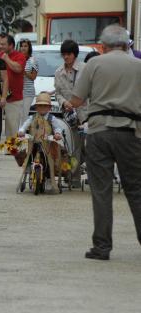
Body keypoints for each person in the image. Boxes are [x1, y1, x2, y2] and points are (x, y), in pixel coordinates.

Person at [68, 25, 141, 261]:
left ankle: (102, 246)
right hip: (131, 132)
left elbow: (77, 100)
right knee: (136, 190)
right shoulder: (138, 66)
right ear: (127, 44)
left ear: (104, 45)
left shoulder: (94, 64)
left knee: (101, 190)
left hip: (99, 130)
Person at [55, 39, 86, 187]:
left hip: (86, 114)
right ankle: (74, 178)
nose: (66, 57)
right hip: (69, 115)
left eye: (68, 54)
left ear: (75, 55)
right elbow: (57, 93)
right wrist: (63, 102)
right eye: (64, 54)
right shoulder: (58, 72)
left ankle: (80, 172)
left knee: (86, 148)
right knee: (73, 147)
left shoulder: (85, 69)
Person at [18, 92, 64, 191]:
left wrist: (57, 133)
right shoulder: (32, 117)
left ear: (49, 108)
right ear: (36, 107)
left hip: (48, 143)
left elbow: (57, 128)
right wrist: (21, 131)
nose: (42, 108)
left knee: (51, 158)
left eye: (45, 106)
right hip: (34, 141)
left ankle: (48, 178)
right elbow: (25, 125)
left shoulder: (52, 118)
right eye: (40, 106)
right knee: (28, 154)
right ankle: (29, 169)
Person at [0, 35, 26, 139]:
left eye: (3, 44)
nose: (1, 46)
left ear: (11, 45)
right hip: (1, 95)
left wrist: (6, 59)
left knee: (13, 125)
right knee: (1, 124)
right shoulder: (0, 55)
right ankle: (7, 148)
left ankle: (12, 148)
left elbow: (18, 69)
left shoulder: (20, 56)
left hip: (15, 97)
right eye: (0, 44)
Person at [19, 39, 38, 122]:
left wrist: (24, 72)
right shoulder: (17, 59)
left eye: (25, 46)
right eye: (22, 46)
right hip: (18, 91)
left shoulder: (33, 60)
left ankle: (21, 132)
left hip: (28, 92)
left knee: (24, 114)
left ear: (29, 47)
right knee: (18, 114)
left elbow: (33, 77)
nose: (23, 48)